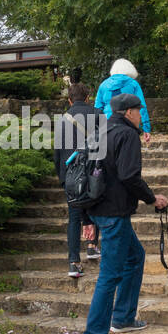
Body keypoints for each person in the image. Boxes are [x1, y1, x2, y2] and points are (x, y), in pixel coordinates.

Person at [80, 93, 168, 334]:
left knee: (135, 257)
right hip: (114, 214)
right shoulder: (128, 135)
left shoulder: (99, 132)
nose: (141, 116)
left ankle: (123, 318)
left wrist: (86, 218)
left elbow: (87, 176)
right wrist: (153, 199)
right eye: (139, 111)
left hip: (99, 210)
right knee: (109, 276)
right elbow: (130, 176)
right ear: (129, 113)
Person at [54, 83, 104, 278]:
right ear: (88, 97)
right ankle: (92, 246)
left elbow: (57, 153)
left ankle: (73, 263)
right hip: (93, 173)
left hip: (71, 175)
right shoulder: (98, 115)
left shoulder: (62, 120)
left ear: (69, 99)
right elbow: (105, 145)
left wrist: (63, 179)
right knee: (98, 209)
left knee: (74, 218)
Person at [94, 58, 152, 144]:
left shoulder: (104, 85)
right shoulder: (133, 84)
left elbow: (97, 108)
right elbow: (142, 106)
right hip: (128, 121)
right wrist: (146, 128)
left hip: (108, 123)